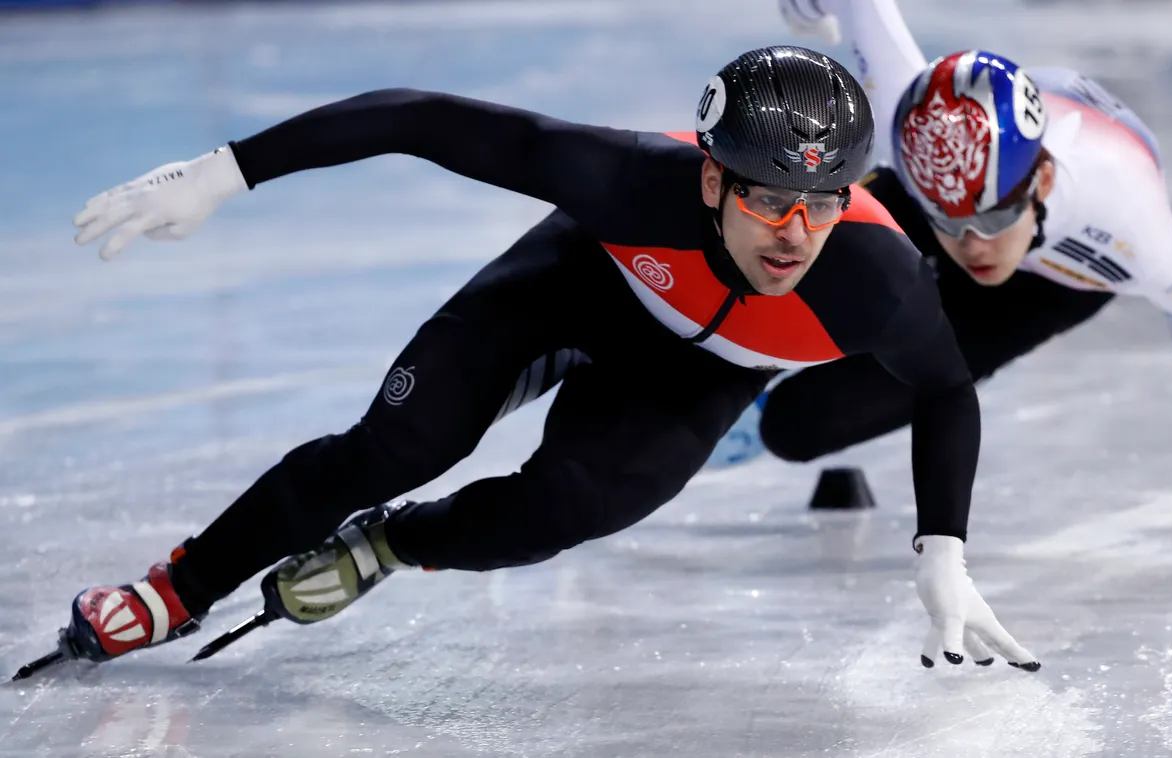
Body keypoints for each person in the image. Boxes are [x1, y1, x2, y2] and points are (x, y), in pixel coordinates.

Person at [36, 46, 1040, 677]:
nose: (795, 233)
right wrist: (225, 171)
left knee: (568, 510)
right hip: (571, 286)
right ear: (710, 179)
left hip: (691, 378)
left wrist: (942, 549)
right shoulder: (631, 180)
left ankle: (390, 545)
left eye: (821, 203)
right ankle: (180, 585)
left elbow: (946, 388)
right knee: (394, 445)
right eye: (769, 198)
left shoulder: (876, 279)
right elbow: (420, 118)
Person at [728, 0, 1172, 557]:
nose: (973, 245)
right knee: (788, 254)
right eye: (951, 223)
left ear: (1043, 183)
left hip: (1058, 280)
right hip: (941, 186)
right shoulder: (909, 127)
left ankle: (756, 426)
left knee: (800, 427)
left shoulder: (1122, 217)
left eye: (993, 219)